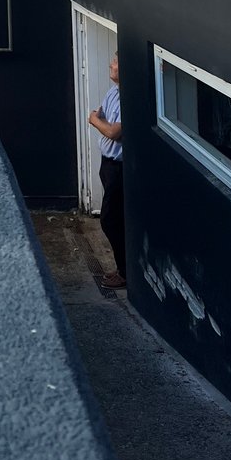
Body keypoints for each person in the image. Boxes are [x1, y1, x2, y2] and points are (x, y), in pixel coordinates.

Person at [88, 51, 125, 289]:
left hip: (119, 168)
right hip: (107, 164)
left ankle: (125, 272)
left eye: (115, 61)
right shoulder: (113, 92)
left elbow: (112, 131)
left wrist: (95, 121)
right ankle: (123, 269)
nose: (110, 65)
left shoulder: (126, 98)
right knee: (115, 218)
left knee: (110, 220)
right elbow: (100, 115)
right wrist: (99, 120)